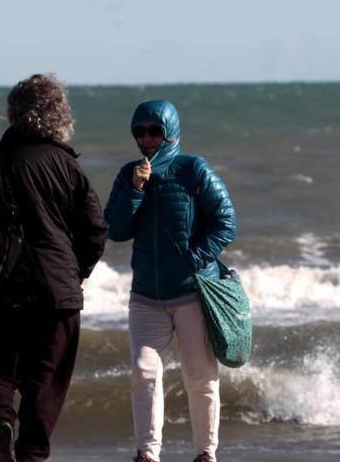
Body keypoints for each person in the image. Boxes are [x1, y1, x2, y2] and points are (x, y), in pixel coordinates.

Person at [0, 74, 108, 462]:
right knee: (45, 383)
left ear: (13, 114)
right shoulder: (68, 166)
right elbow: (95, 229)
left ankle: (0, 419)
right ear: (59, 117)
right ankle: (32, 453)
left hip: (2, 287)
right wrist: (76, 270)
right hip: (57, 291)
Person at [104, 100, 237, 462]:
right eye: (140, 132)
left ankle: (205, 453)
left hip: (191, 293)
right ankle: (148, 454)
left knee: (200, 376)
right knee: (144, 372)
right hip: (146, 295)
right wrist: (134, 189)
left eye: (154, 131)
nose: (146, 139)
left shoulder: (193, 169)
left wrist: (193, 260)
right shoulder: (130, 174)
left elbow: (226, 222)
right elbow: (115, 230)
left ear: (170, 132)